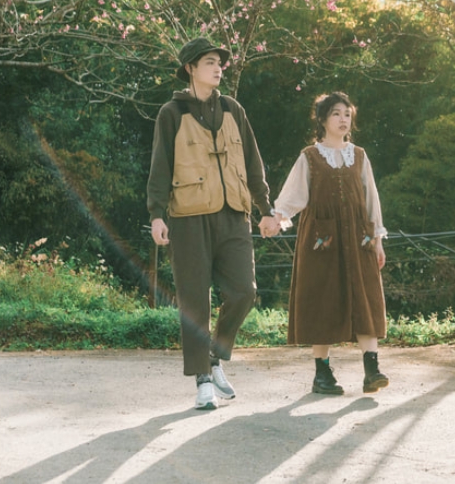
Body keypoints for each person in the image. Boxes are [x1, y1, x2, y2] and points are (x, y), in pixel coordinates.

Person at [147, 37, 274, 410]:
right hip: (188, 217)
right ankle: (203, 379)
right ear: (190, 68)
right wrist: (156, 214)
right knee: (194, 299)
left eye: (220, 62)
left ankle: (215, 355)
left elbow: (253, 163)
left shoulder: (235, 110)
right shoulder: (171, 113)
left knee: (244, 292)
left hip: (234, 214)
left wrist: (265, 208)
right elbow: (160, 167)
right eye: (209, 62)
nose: (218, 67)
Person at [259, 92, 389, 396]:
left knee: (366, 298)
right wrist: (276, 219)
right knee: (324, 301)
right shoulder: (310, 157)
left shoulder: (359, 156)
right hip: (322, 240)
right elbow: (292, 195)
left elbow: (372, 200)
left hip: (361, 239)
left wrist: (378, 240)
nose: (343, 119)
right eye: (336, 114)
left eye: (347, 114)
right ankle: (322, 374)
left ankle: (372, 369)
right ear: (322, 119)